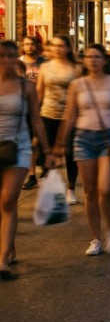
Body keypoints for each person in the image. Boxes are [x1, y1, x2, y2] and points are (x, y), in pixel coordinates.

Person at [54, 44, 110, 256]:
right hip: (83, 139)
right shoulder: (77, 84)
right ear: (84, 60)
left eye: (96, 57)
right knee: (89, 192)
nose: (92, 60)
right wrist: (60, 143)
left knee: (105, 190)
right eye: (88, 57)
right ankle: (95, 238)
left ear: (104, 60)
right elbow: (70, 115)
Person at [0, 41, 53, 279]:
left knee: (8, 200)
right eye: (2, 56)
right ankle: (7, 245)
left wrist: (47, 150)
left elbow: (37, 120)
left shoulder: (26, 87)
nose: (8, 60)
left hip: (17, 147)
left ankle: (1, 261)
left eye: (12, 56)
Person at [37, 36, 81, 205]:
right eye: (55, 46)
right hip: (47, 113)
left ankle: (70, 188)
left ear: (68, 48)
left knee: (70, 152)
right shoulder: (45, 67)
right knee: (46, 151)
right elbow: (39, 92)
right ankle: (50, 187)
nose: (57, 49)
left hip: (69, 116)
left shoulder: (76, 68)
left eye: (61, 46)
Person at [19, 37, 45, 190]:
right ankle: (32, 175)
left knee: (40, 140)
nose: (29, 46)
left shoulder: (44, 63)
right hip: (25, 106)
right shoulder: (19, 62)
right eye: (27, 44)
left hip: (43, 105)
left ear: (36, 46)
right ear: (23, 46)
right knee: (30, 143)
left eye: (32, 44)